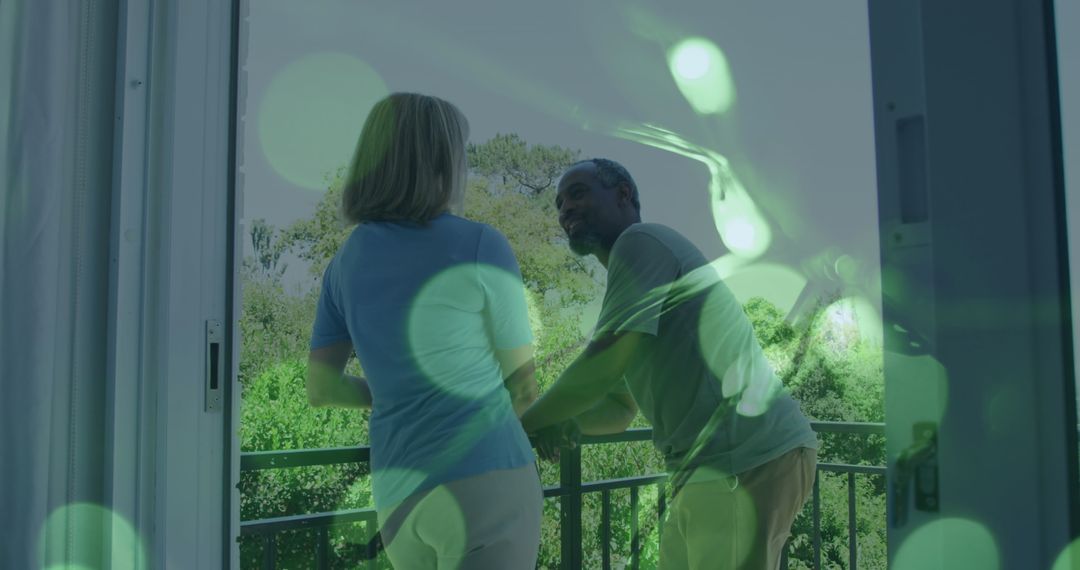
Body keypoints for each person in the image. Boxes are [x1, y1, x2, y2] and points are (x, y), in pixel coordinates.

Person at [522, 158, 818, 570]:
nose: (564, 208)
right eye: (558, 202)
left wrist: (523, 425)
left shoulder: (643, 242)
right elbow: (620, 409)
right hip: (703, 471)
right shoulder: (632, 286)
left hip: (743, 456)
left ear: (623, 194)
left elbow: (602, 365)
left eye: (578, 192)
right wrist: (568, 422)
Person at [306, 92, 542, 569]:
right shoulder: (481, 244)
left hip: (397, 495)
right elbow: (524, 386)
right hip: (486, 482)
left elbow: (321, 387)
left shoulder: (345, 263)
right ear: (441, 161)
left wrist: (398, 392)